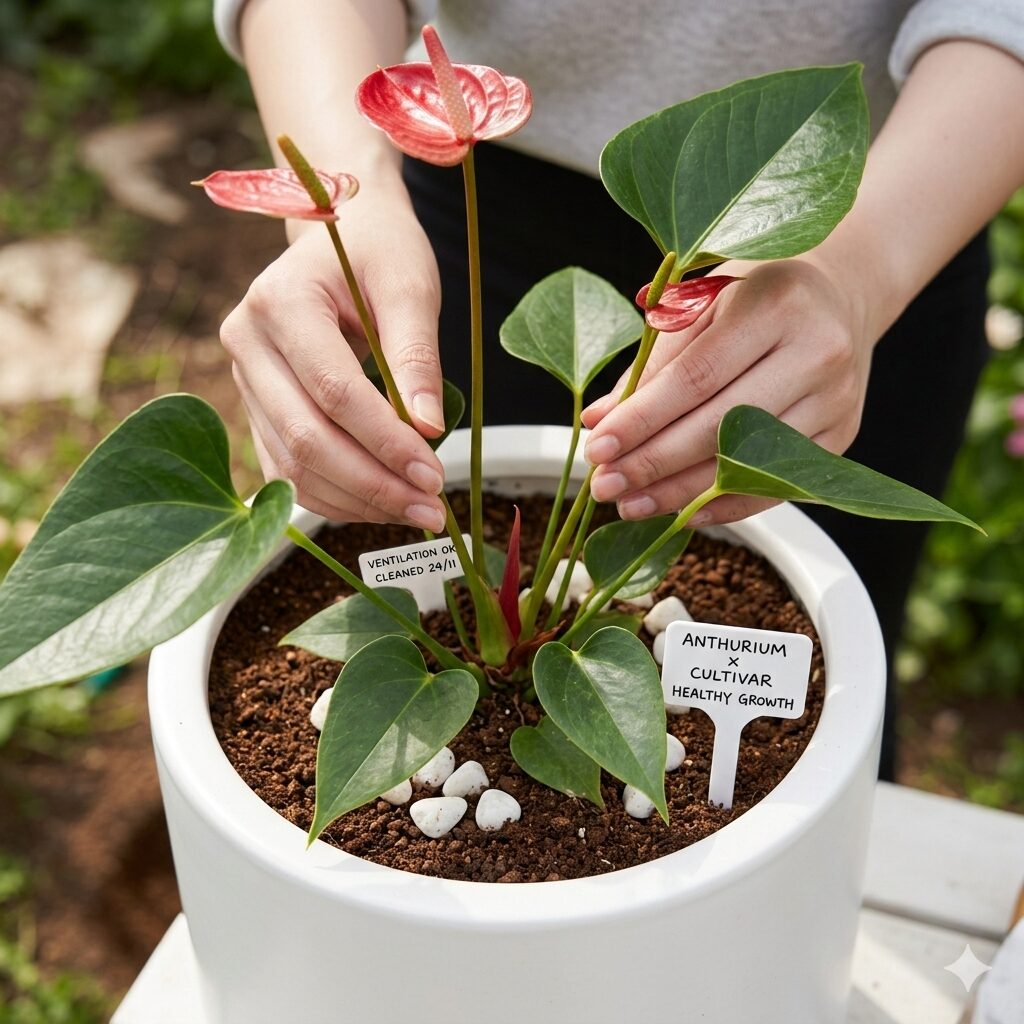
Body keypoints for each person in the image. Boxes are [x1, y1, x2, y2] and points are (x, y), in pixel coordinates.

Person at [211, 0, 1024, 778]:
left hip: (894, 214)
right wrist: (344, 199)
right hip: (447, 224)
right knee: (430, 482)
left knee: (836, 687)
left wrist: (861, 272)